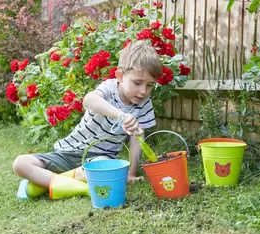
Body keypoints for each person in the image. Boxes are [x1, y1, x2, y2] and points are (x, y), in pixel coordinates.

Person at [13, 40, 163, 200]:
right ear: (120, 76)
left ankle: (50, 183)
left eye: (149, 86)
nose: (143, 91)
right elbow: (89, 100)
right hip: (69, 152)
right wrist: (120, 115)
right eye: (138, 83)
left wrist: (131, 174)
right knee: (20, 163)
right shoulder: (110, 88)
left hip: (100, 159)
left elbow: (136, 141)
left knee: (106, 171)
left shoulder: (144, 104)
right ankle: (77, 182)